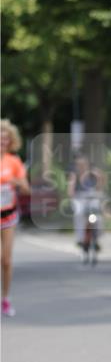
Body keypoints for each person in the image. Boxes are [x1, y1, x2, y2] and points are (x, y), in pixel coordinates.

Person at [1, 119, 30, 317]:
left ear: (11, 142)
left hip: (8, 214)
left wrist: (17, 181)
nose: (2, 142)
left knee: (6, 261)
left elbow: (27, 189)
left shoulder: (14, 161)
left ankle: (6, 299)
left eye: (5, 139)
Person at [67, 155, 105, 250]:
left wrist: (99, 178)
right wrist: (72, 195)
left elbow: (100, 187)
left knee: (97, 216)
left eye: (83, 165)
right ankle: (80, 239)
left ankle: (97, 238)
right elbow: (70, 190)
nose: (81, 167)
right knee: (79, 214)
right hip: (79, 198)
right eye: (79, 165)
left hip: (93, 197)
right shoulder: (74, 175)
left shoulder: (93, 174)